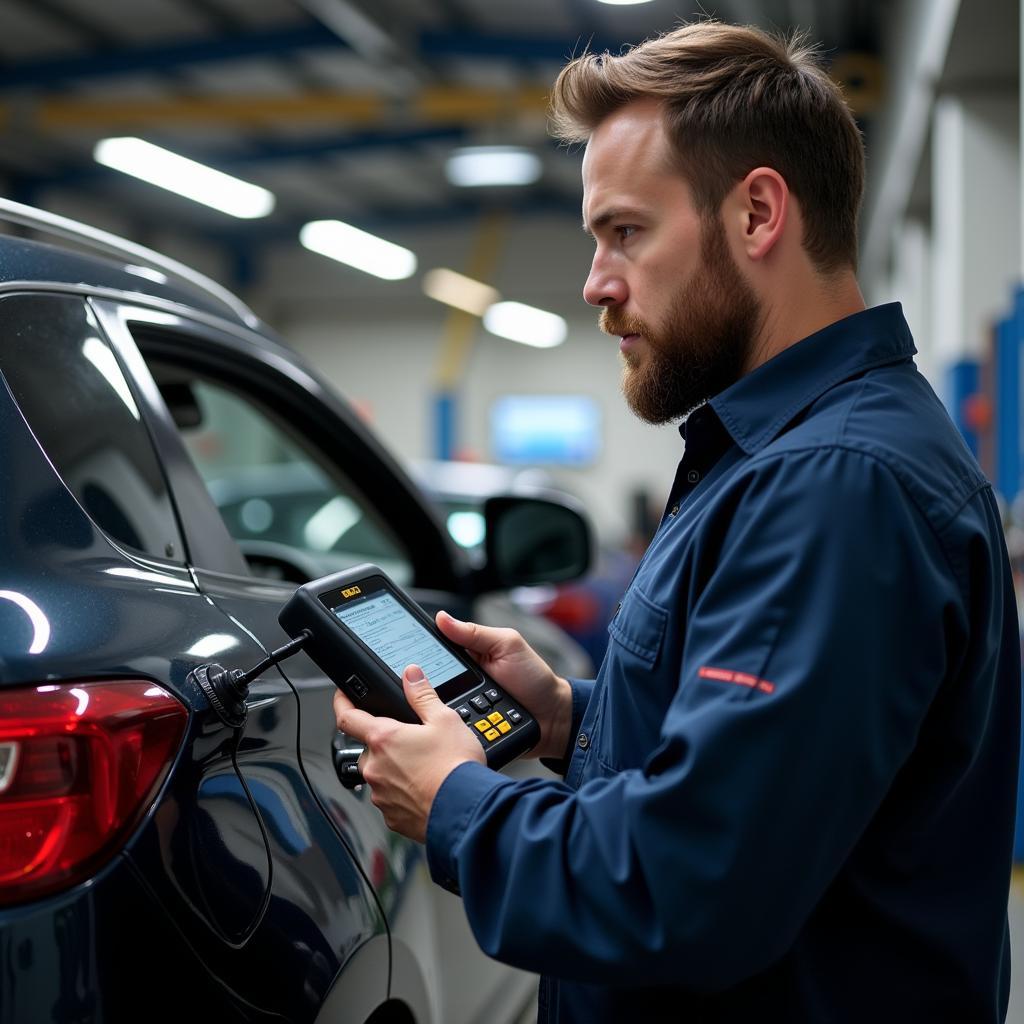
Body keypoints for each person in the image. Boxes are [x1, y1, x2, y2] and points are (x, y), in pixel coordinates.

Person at [336, 21, 1021, 1022]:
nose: (596, 284)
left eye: (625, 232)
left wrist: (456, 805)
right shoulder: (780, 457)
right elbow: (759, 768)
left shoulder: (833, 488)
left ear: (755, 214)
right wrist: (574, 718)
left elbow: (684, 887)